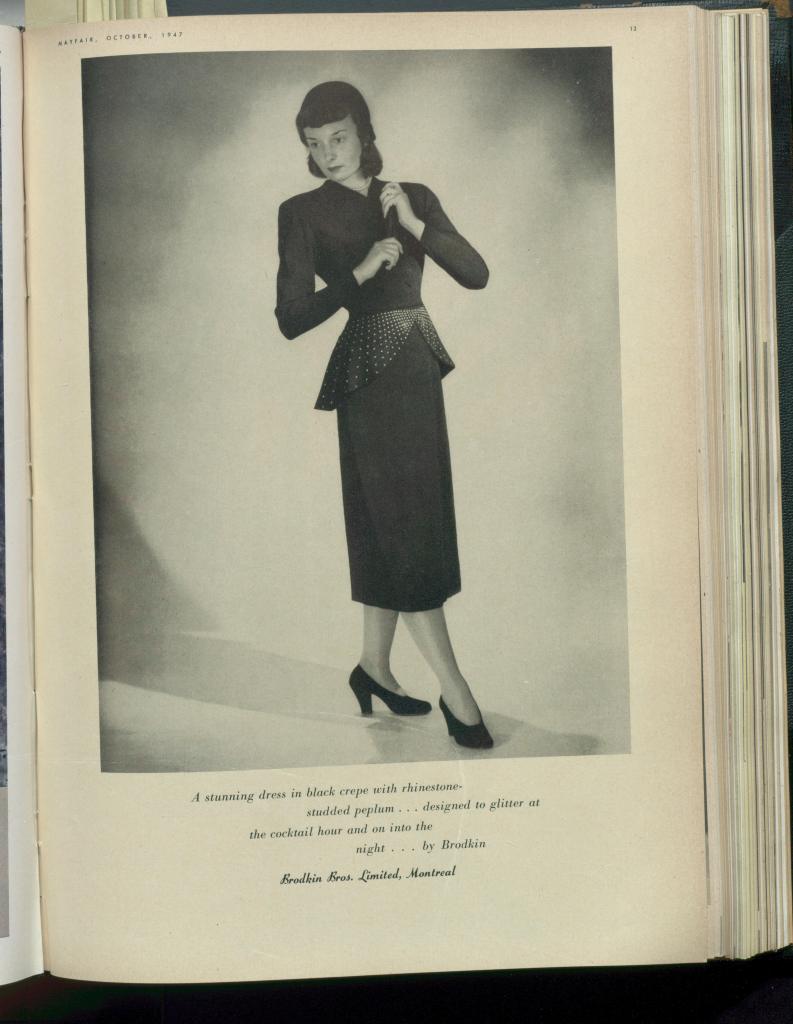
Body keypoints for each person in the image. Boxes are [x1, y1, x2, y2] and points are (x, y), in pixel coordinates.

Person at [275, 81, 492, 749]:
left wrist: (416, 225)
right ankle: (456, 691)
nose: (328, 153)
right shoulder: (301, 212)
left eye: (338, 137)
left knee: (394, 527)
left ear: (363, 133)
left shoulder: (412, 195)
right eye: (314, 143)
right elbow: (290, 318)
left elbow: (476, 273)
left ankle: (372, 668)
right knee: (404, 530)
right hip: (368, 379)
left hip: (418, 368)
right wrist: (360, 273)